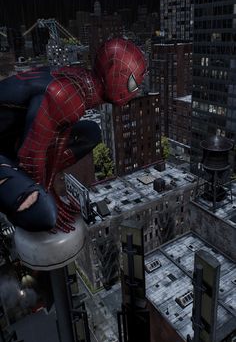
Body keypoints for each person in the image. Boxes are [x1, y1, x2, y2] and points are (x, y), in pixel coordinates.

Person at [0, 38, 147, 232]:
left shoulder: (79, 81)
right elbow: (30, 156)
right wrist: (45, 195)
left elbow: (57, 140)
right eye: (132, 83)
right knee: (42, 211)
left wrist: (50, 186)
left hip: (16, 135)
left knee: (91, 133)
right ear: (113, 73)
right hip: (6, 148)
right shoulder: (70, 94)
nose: (135, 92)